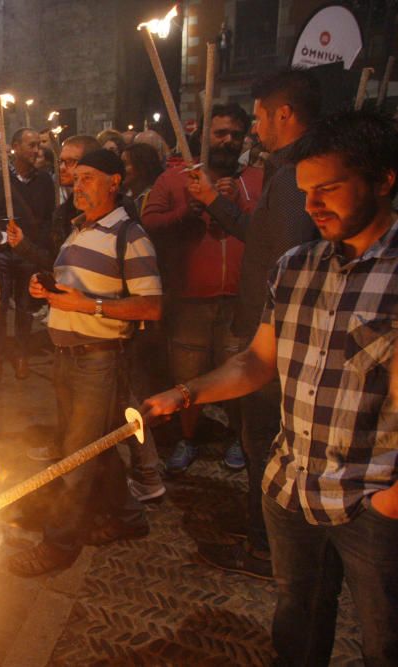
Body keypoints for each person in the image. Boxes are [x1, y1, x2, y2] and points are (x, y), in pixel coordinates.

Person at [141, 109, 398, 667]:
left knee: (384, 639)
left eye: (328, 189)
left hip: (369, 504)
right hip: (290, 489)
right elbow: (259, 362)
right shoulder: (295, 267)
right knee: (297, 620)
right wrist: (185, 394)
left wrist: (389, 504)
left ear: (382, 180)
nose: (312, 206)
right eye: (306, 192)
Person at [186, 69, 320, 579]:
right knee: (258, 439)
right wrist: (213, 203)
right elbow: (259, 237)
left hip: (273, 334)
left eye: (261, 115)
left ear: (283, 114)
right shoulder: (282, 170)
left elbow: (284, 260)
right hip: (267, 327)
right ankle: (265, 535)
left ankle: (267, 547)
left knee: (262, 441)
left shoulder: (292, 177)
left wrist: (262, 335)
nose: (256, 126)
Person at [6, 149, 162, 576]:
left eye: (88, 177)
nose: (77, 183)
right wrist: (47, 288)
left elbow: (150, 307)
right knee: (97, 448)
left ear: (115, 181)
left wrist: (87, 306)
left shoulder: (129, 235)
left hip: (99, 361)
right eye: (76, 177)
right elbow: (74, 289)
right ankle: (130, 519)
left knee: (75, 457)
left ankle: (58, 545)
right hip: (68, 357)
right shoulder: (77, 231)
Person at [141, 103, 262, 478]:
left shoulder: (257, 179)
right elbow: (149, 223)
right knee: (188, 374)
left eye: (235, 135)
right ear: (203, 135)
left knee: (238, 371)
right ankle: (187, 437)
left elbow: (266, 229)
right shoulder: (175, 178)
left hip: (238, 300)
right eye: (220, 133)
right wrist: (190, 209)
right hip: (190, 299)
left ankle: (236, 439)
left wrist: (234, 205)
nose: (228, 141)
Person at [0, 127, 56, 380]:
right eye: (31, 145)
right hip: (3, 253)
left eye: (38, 145)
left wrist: (37, 247)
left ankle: (22, 353)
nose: (37, 150)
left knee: (25, 307)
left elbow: (49, 218)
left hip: (29, 254)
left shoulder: (45, 181)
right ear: (15, 147)